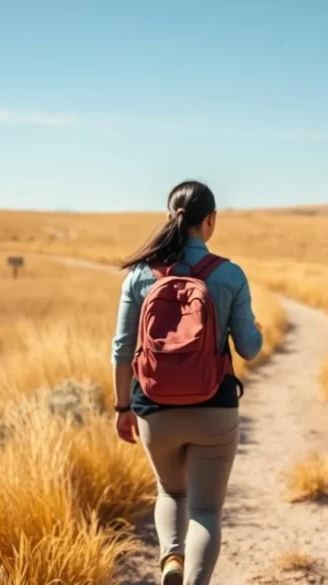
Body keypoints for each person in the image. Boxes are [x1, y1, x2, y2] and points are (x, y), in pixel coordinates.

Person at [112, 180, 263, 585]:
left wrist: (123, 408)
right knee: (206, 511)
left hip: (153, 407)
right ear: (210, 221)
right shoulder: (229, 274)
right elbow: (248, 349)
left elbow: (122, 350)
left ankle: (171, 559)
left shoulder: (140, 277)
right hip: (215, 406)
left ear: (170, 218)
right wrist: (257, 330)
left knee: (170, 492)